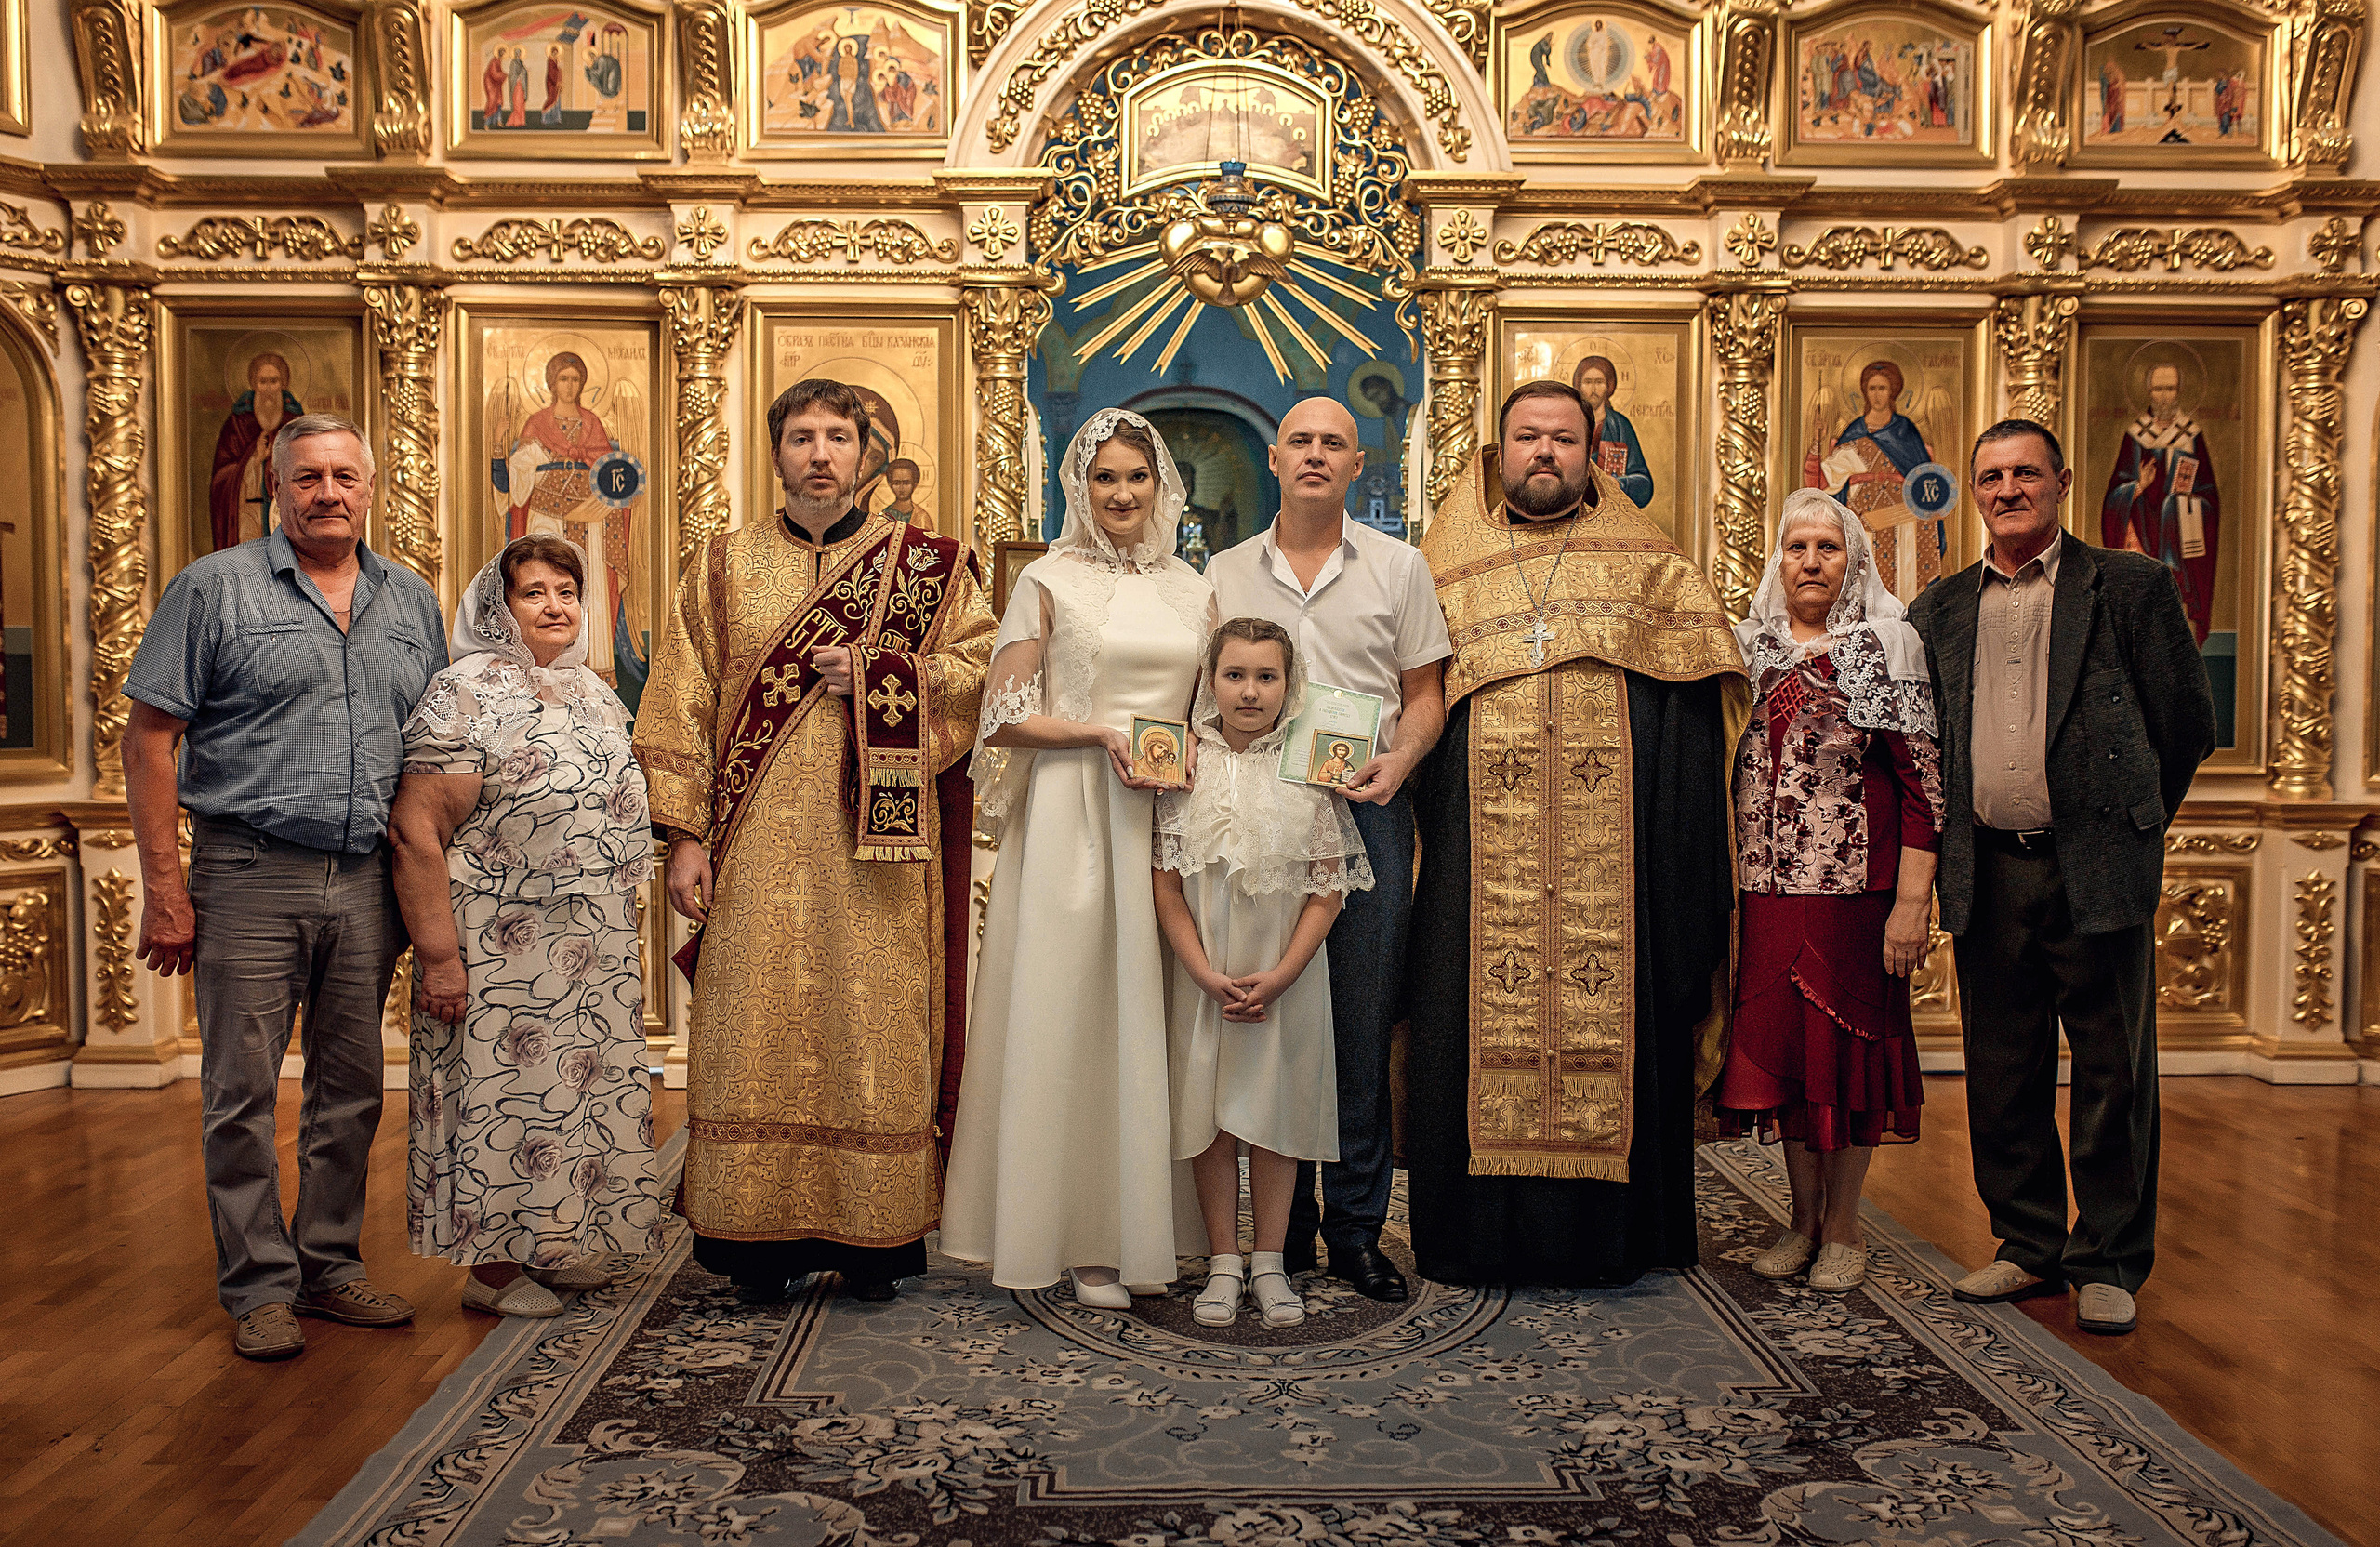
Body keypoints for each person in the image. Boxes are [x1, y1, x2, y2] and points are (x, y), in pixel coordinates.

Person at [634, 379, 994, 1303]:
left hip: (880, 849)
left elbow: (982, 672)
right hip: (750, 846)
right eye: (802, 437)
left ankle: (872, 1240)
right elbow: (679, 698)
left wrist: (883, 671)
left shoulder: (929, 568)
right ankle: (754, 1245)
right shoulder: (723, 564)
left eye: (839, 436)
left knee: (873, 1026)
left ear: (867, 453)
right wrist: (684, 837)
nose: (821, 453)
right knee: (751, 1028)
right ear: (777, 453)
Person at [123, 413, 449, 1361]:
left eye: (345, 475)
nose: (328, 492)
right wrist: (165, 888)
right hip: (249, 871)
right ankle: (259, 1285)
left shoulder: (410, 600)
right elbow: (148, 741)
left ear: (370, 489)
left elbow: (435, 747)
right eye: (308, 476)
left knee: (351, 1088)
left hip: (370, 880)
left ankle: (329, 1266)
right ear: (276, 487)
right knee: (241, 1090)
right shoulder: (212, 588)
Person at [1406, 381, 1744, 1287]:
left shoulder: (1650, 567)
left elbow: (1691, 717)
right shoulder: (1440, 569)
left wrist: (1675, 862)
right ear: (1499, 450)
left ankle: (1615, 1239)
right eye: (1528, 436)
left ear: (1593, 452)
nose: (1544, 452)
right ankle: (1473, 1239)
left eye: (1563, 437)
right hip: (1475, 864)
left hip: (1615, 869)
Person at [1907, 418, 2215, 1337]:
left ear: (2063, 482)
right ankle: (2028, 1241)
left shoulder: (2129, 585)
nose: (2008, 490)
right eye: (1991, 477)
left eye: (2025, 473)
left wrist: (2126, 823)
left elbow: (2184, 724)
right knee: (2003, 1070)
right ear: (1974, 491)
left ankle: (2109, 1260)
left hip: (2097, 867)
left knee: (2113, 1071)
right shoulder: (1939, 608)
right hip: (1987, 869)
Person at [942, 408, 1214, 1306]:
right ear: (1080, 487)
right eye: (1105, 478)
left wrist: (1192, 750)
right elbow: (1002, 717)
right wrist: (1100, 734)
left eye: (1137, 477)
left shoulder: (1194, 588)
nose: (1122, 494)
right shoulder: (1047, 580)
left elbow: (1210, 708)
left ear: (1161, 484)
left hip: (1162, 812)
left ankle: (1146, 1229)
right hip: (1075, 814)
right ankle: (1076, 1236)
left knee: (1153, 1015)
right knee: (1074, 1012)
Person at [1207, 396, 1452, 1304]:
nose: (1315, 453)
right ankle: (1285, 1231)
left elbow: (1425, 694)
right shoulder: (1225, 571)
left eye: (1333, 443)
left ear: (1356, 464)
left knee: (1358, 1021)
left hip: (1366, 809)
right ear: (1275, 459)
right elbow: (1202, 694)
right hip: (1260, 816)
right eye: (1300, 440)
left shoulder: (1398, 566)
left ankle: (1353, 1230)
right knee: (1274, 1020)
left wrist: (1401, 760)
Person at [390, 536, 663, 1318]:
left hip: (588, 941)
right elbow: (416, 829)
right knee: (501, 1095)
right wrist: (440, 957)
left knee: (570, 1094)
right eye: (533, 592)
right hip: (497, 937)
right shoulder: (463, 690)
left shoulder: (593, 691)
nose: (555, 606)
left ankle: (550, 1244)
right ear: (497, 609)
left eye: (567, 592)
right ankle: (492, 1271)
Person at [1722, 489, 1943, 1294]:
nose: (1811, 563)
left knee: (1846, 1064)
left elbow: (1924, 788)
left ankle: (1845, 1227)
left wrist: (1912, 903)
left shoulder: (1887, 644)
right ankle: (1802, 1220)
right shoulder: (1748, 647)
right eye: (1797, 548)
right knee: (1787, 1061)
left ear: (1856, 559)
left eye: (1828, 547)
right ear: (1777, 560)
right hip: (1765, 891)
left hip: (1856, 894)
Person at [1156, 618, 1374, 1329]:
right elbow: (1166, 886)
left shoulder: (1311, 772)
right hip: (1206, 978)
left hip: (1286, 977)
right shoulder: (1183, 768)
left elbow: (1327, 890)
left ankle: (1273, 1262)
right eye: (1235, 675)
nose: (1250, 692)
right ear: (1211, 682)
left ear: (1290, 685)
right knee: (1212, 1118)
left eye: (1266, 677)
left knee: (1277, 1117)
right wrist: (1200, 971)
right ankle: (1225, 1261)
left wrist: (1282, 974)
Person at [2100, 363, 2219, 645]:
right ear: (2149, 392)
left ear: (2179, 391)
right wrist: (2139, 486)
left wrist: (2189, 501)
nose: (2164, 396)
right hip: (2142, 529)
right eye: (2158, 389)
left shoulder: (2191, 435)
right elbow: (2114, 497)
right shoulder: (2136, 436)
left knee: (2171, 507)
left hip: (2182, 534)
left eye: (2170, 389)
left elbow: (2210, 495)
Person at [209, 351, 301, 553]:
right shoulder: (237, 424)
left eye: (273, 381)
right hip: (247, 514)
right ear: (254, 384)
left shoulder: (296, 423)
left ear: (283, 384)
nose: (268, 389)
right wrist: (254, 461)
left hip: (284, 514)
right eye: (262, 382)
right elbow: (220, 479)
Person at [1570, 354, 1654, 509]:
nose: (1593, 389)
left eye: (1599, 382)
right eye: (1588, 382)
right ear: (1579, 386)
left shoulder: (1620, 426)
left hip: (1611, 511)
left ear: (1609, 386)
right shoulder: (1568, 423)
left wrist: (1618, 483)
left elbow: (1644, 483)